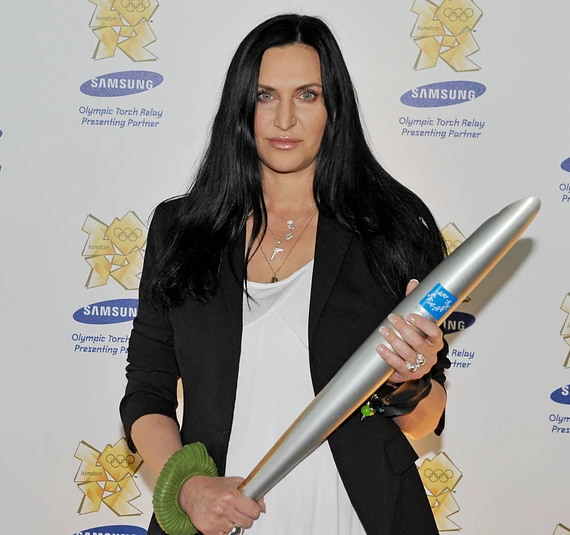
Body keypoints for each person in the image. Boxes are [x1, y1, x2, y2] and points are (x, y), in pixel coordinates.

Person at [120, 13, 451, 535]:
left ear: (334, 108)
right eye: (265, 95)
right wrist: (189, 488)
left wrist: (409, 379)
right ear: (240, 106)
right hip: (221, 518)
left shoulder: (393, 226)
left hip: (354, 516)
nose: (284, 120)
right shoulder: (181, 229)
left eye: (307, 95)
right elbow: (147, 391)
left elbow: (427, 416)